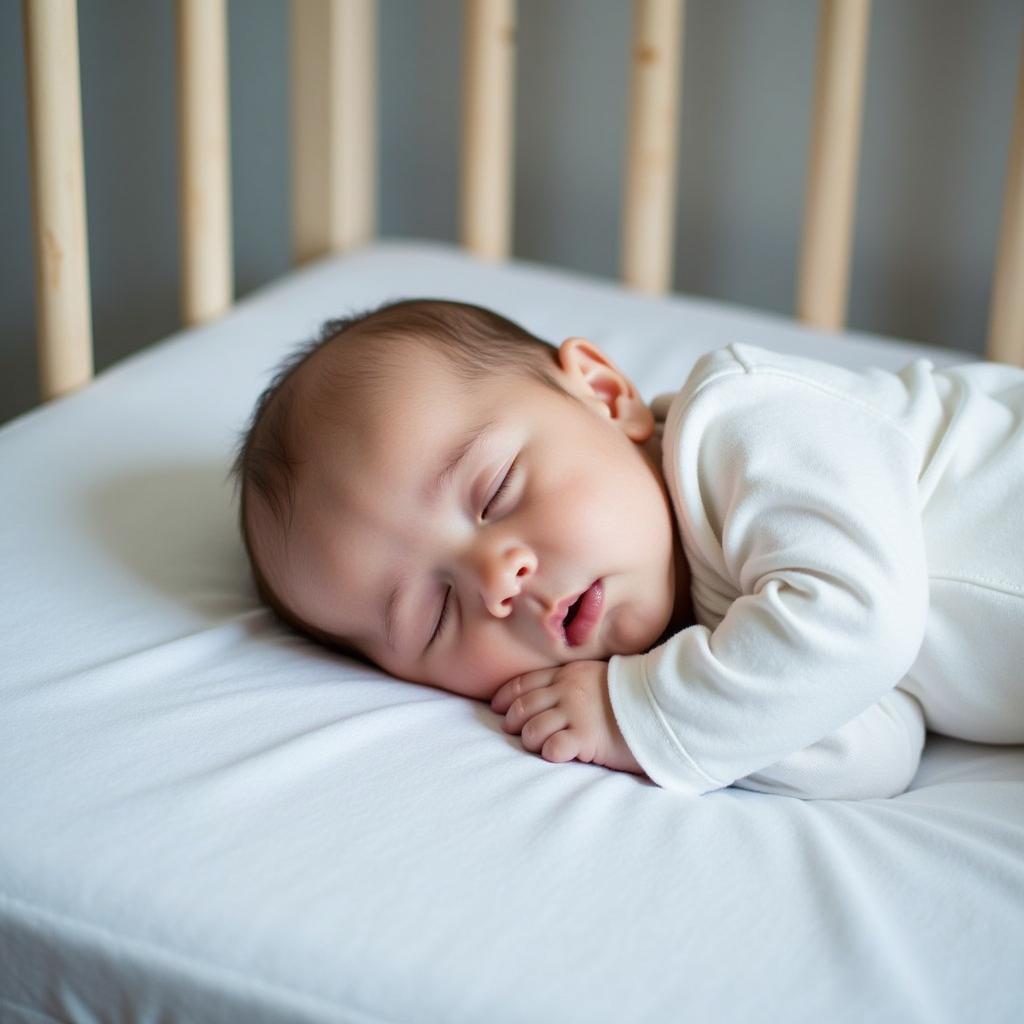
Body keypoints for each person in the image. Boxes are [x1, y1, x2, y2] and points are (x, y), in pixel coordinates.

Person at [232, 298, 1024, 799]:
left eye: (497, 488)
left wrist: (637, 714)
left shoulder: (747, 425)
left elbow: (863, 626)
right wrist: (657, 696)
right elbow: (876, 751)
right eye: (434, 614)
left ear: (607, 396)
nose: (496, 583)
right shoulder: (719, 648)